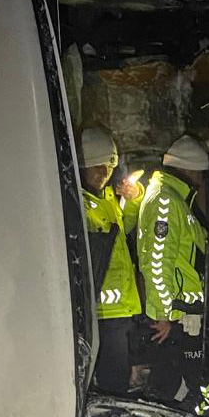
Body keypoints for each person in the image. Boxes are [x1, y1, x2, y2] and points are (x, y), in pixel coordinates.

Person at [137, 134, 209, 414]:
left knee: (175, 386)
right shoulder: (166, 203)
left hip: (183, 314)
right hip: (176, 317)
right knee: (188, 387)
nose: (202, 182)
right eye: (201, 175)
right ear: (190, 170)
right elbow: (158, 263)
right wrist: (164, 315)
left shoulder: (174, 200)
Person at [79, 127, 144, 393]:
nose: (103, 174)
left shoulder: (107, 198)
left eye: (108, 166)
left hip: (120, 311)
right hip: (101, 314)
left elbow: (126, 226)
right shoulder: (78, 203)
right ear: (82, 165)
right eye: (97, 167)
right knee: (109, 383)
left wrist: (134, 198)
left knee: (117, 379)